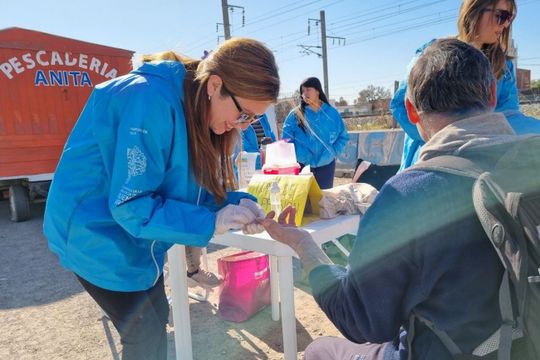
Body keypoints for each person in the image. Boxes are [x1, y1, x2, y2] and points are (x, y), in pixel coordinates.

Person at [261, 39, 521, 359]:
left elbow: (360, 320)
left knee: (319, 350)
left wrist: (304, 245)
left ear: (411, 111)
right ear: (493, 96)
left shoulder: (407, 195)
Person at [43, 37, 279, 360]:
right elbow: (131, 204)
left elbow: (188, 188)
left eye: (252, 119)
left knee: (156, 321)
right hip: (92, 230)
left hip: (135, 234)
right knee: (144, 335)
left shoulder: (197, 107)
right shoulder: (150, 102)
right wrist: (212, 222)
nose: (242, 125)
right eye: (244, 114)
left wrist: (234, 203)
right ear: (215, 85)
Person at [390, 0, 540, 171]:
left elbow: (511, 117)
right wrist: (443, 138)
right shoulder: (433, 54)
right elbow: (401, 105)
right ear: (475, 10)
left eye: (510, 18)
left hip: (480, 160)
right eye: (501, 16)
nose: (505, 25)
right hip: (430, 159)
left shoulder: (503, 68)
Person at [282, 77, 349, 189]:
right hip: (302, 166)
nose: (305, 93)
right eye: (303, 91)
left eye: (308, 89)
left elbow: (343, 137)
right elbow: (286, 140)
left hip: (326, 166)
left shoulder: (331, 113)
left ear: (317, 90)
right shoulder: (295, 115)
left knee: (324, 200)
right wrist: (299, 155)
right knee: (303, 201)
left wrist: (332, 152)